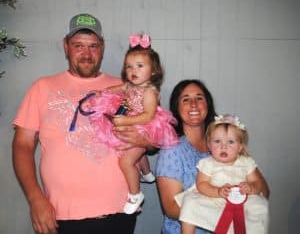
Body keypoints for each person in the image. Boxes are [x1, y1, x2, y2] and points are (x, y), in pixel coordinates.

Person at [12, 13, 152, 234]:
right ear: (66, 46)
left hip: (119, 211)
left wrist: (145, 143)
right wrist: (35, 198)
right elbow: (22, 145)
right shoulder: (42, 87)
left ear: (103, 47)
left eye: (93, 46)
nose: (87, 54)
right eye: (78, 45)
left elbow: (154, 132)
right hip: (60, 215)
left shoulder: (126, 87)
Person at [155, 79, 270, 234]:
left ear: (207, 104)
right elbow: (171, 208)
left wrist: (249, 189)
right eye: (186, 99)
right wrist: (224, 218)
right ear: (177, 107)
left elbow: (264, 191)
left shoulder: (224, 141)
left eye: (199, 98)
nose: (194, 104)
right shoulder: (172, 150)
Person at [81, 33, 178, 214]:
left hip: (147, 127)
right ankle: (147, 173)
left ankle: (135, 194)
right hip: (134, 123)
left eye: (140, 66)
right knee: (131, 147)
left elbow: (148, 116)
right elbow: (115, 89)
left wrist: (126, 120)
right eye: (129, 67)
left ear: (154, 70)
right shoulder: (130, 86)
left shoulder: (150, 91)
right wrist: (101, 93)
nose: (133, 71)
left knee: (126, 161)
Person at [176, 114, 269, 234]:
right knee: (190, 201)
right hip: (215, 198)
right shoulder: (207, 163)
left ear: (240, 147)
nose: (223, 146)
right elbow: (202, 184)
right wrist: (217, 191)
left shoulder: (246, 162)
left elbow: (257, 182)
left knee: (260, 206)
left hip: (242, 200)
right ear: (209, 145)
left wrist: (251, 187)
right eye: (217, 141)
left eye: (230, 142)